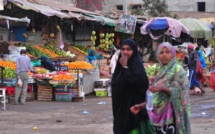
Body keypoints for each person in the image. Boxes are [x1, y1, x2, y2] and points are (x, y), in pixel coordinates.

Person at [131, 42, 191, 134]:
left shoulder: (177, 70)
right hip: (158, 122)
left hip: (171, 120)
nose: (164, 55)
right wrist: (141, 106)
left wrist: (161, 88)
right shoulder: (160, 71)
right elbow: (156, 98)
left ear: (172, 53)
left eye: (167, 52)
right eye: (161, 52)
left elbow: (180, 92)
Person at [111, 39, 153, 134]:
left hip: (134, 109)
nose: (125, 52)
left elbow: (136, 83)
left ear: (133, 51)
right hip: (121, 109)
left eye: (128, 49)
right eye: (123, 49)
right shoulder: (119, 66)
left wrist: (125, 67)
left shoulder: (137, 66)